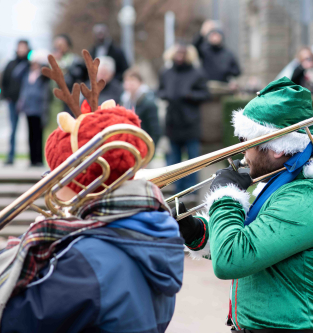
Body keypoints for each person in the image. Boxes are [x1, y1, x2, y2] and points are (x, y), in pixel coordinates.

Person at [0, 54, 184, 332]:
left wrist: (33, 248)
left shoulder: (83, 259)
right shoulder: (152, 237)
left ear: (78, 181)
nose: (49, 183)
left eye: (55, 175)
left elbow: (18, 320)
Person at [176, 77, 313, 332]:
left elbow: (231, 259)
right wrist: (195, 231)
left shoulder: (305, 197)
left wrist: (225, 196)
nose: (242, 152)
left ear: (278, 149)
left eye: (247, 142)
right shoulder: (289, 179)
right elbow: (253, 242)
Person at [158, 43, 210, 193]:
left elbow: (206, 94)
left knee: (193, 160)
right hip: (172, 122)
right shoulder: (166, 72)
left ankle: (192, 190)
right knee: (174, 161)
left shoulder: (197, 73)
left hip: (190, 122)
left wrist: (190, 95)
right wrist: (166, 94)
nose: (180, 56)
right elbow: (159, 90)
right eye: (177, 53)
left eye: (183, 53)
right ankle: (176, 190)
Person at [16, 50, 52, 167]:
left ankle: (39, 159)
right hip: (28, 108)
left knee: (38, 135)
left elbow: (47, 80)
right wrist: (26, 62)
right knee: (30, 134)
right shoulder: (27, 73)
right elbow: (16, 74)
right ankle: (32, 159)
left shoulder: (43, 75)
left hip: (39, 108)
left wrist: (43, 64)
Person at [1, 39, 30, 165]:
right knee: (13, 128)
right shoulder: (11, 64)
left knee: (31, 129)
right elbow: (4, 81)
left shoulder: (30, 64)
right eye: (20, 47)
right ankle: (11, 156)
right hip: (13, 101)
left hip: (28, 102)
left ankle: (33, 158)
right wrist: (5, 96)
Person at [122, 68, 161, 147]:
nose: (130, 84)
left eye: (133, 80)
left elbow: (155, 130)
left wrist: (149, 148)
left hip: (143, 144)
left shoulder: (148, 103)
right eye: (127, 81)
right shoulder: (124, 101)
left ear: (140, 83)